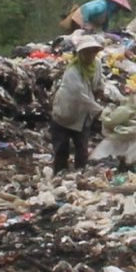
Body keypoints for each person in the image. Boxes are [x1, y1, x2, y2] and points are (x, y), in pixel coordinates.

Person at [48, 34, 108, 174]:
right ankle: (60, 175)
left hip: (82, 115)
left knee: (82, 147)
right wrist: (101, 111)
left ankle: (80, 175)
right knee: (62, 148)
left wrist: (101, 90)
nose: (90, 56)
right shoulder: (72, 72)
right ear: (80, 54)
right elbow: (81, 96)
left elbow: (99, 82)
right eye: (86, 52)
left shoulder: (97, 64)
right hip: (65, 112)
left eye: (93, 52)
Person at [61, 0, 132, 33]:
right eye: (118, 7)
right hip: (80, 18)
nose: (118, 10)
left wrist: (110, 31)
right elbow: (86, 9)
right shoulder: (102, 5)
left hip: (88, 23)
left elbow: (105, 25)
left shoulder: (108, 12)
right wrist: (86, 23)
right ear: (113, 4)